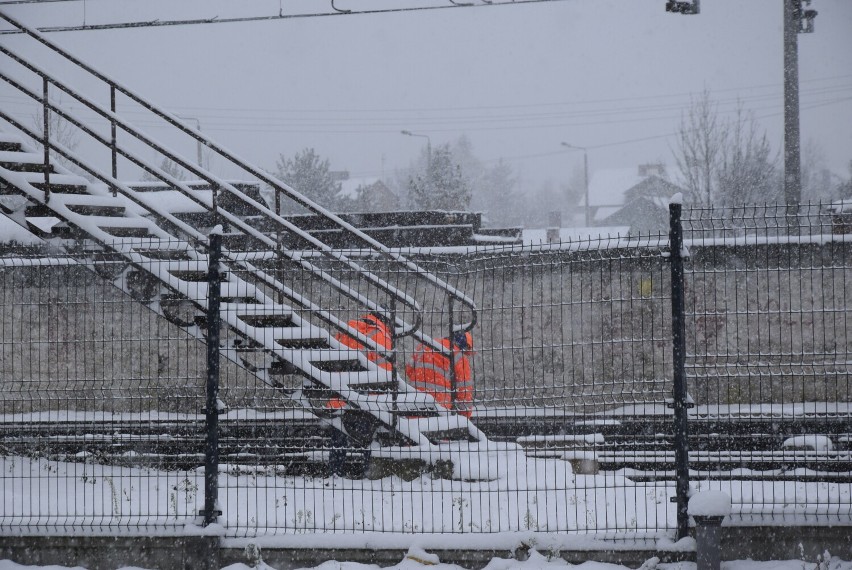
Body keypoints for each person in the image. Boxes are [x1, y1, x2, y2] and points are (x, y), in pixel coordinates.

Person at [325, 312, 394, 477]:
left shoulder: (347, 328)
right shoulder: (379, 335)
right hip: (364, 400)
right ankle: (369, 472)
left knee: (339, 439)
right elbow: (385, 374)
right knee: (369, 440)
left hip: (339, 397)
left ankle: (335, 472)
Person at [405, 331, 474, 418]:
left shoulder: (425, 345)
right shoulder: (459, 356)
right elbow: (464, 390)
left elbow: (409, 370)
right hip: (440, 407)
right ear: (464, 346)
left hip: (415, 402)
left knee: (414, 429)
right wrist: (465, 415)